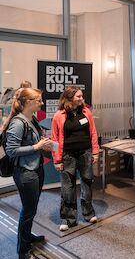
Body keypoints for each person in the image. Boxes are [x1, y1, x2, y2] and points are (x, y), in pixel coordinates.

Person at [5, 88, 52, 259]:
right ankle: (22, 250)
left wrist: (43, 144)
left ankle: (27, 236)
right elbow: (11, 150)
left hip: (35, 168)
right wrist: (36, 147)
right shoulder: (18, 123)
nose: (41, 103)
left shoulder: (31, 119)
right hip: (25, 172)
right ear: (28, 102)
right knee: (28, 210)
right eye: (38, 100)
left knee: (31, 209)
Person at [51, 86, 99, 231]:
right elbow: (54, 140)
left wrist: (95, 152)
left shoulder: (86, 112)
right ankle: (68, 218)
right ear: (69, 97)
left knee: (87, 183)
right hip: (67, 156)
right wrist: (57, 160)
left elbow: (93, 133)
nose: (81, 98)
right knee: (67, 187)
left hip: (85, 153)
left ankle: (88, 213)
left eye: (81, 96)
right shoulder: (58, 115)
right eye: (78, 96)